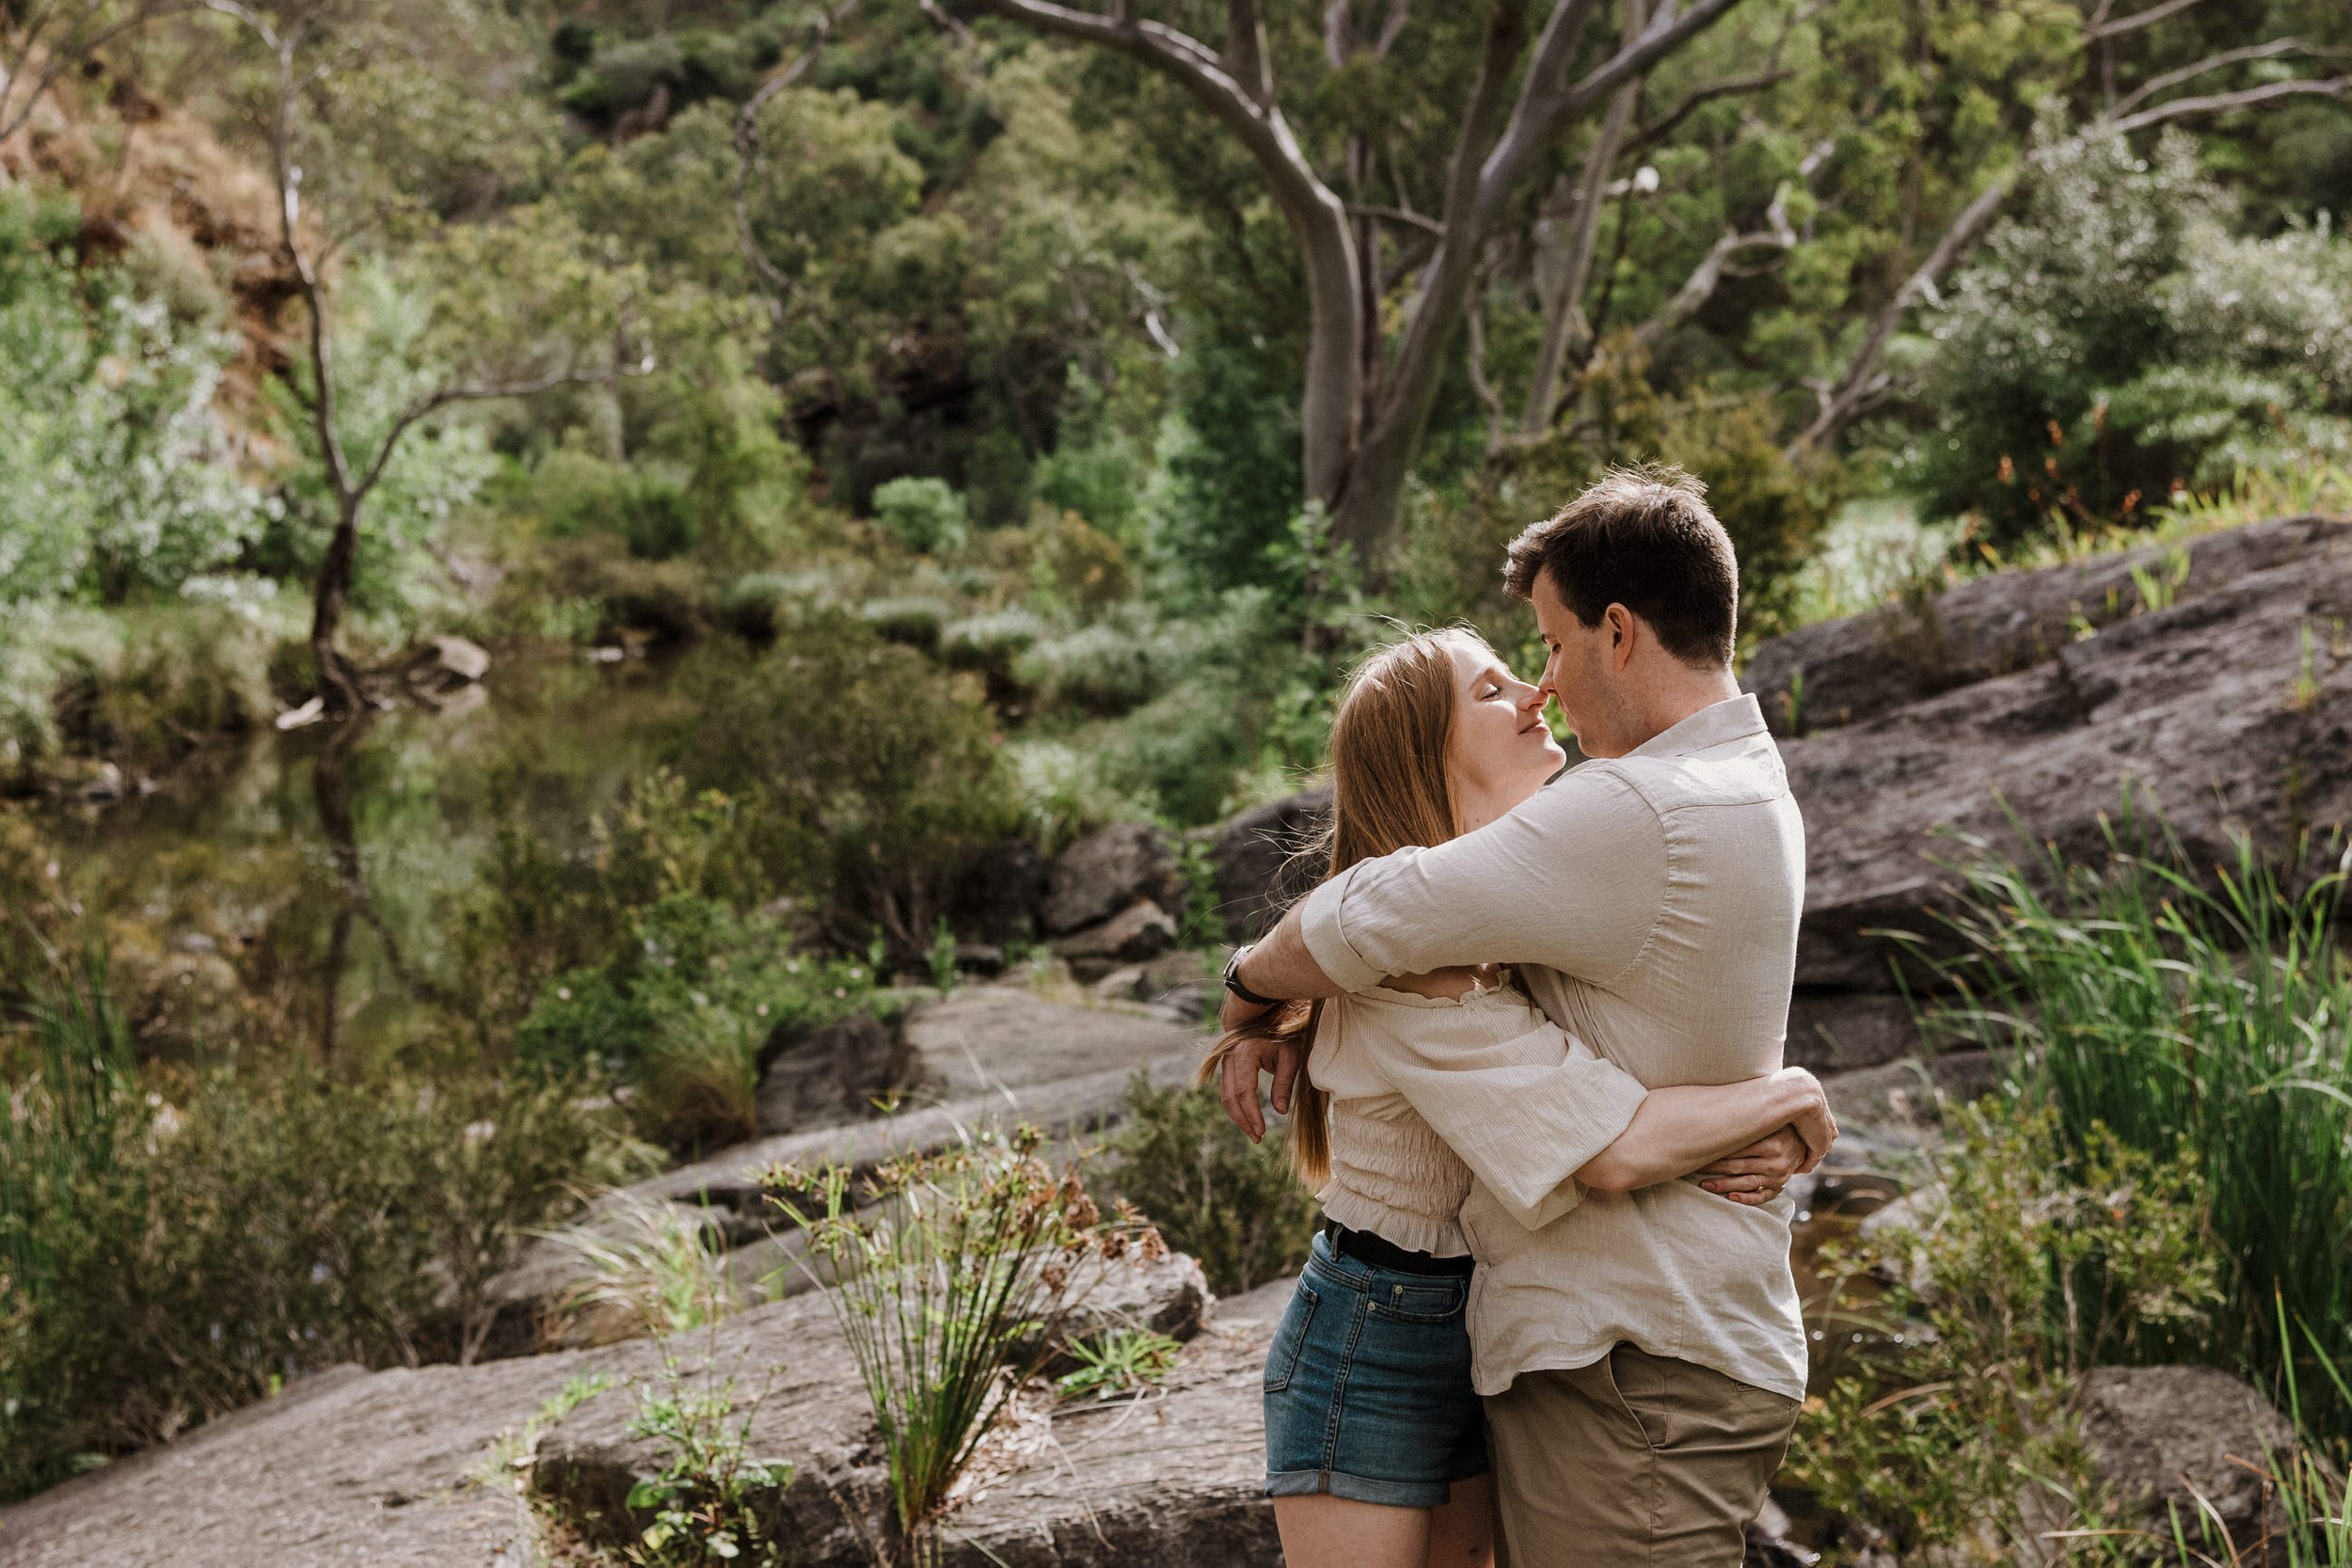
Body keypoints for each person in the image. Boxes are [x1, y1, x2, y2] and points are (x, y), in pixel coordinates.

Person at [1217, 466, 1817, 1567]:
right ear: (1430, 757)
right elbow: (1613, 1140)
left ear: (1619, 631)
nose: (1539, 687)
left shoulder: (1566, 870)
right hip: (1382, 1329)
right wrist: (1787, 1094)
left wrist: (1263, 987)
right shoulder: (1436, 951)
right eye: (1499, 683)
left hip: (1510, 1325)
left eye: (1541, 647)